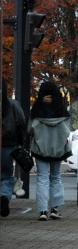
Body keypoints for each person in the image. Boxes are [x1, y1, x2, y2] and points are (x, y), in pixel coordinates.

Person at [28, 81, 72, 221]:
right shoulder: (61, 111)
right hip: (58, 150)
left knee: (41, 178)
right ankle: (55, 208)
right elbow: (67, 131)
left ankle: (42, 211)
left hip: (40, 150)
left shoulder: (36, 111)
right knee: (55, 177)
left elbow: (29, 130)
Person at [1, 80, 27, 218]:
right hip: (8, 144)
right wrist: (21, 143)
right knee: (6, 175)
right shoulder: (12, 105)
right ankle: (4, 196)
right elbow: (21, 123)